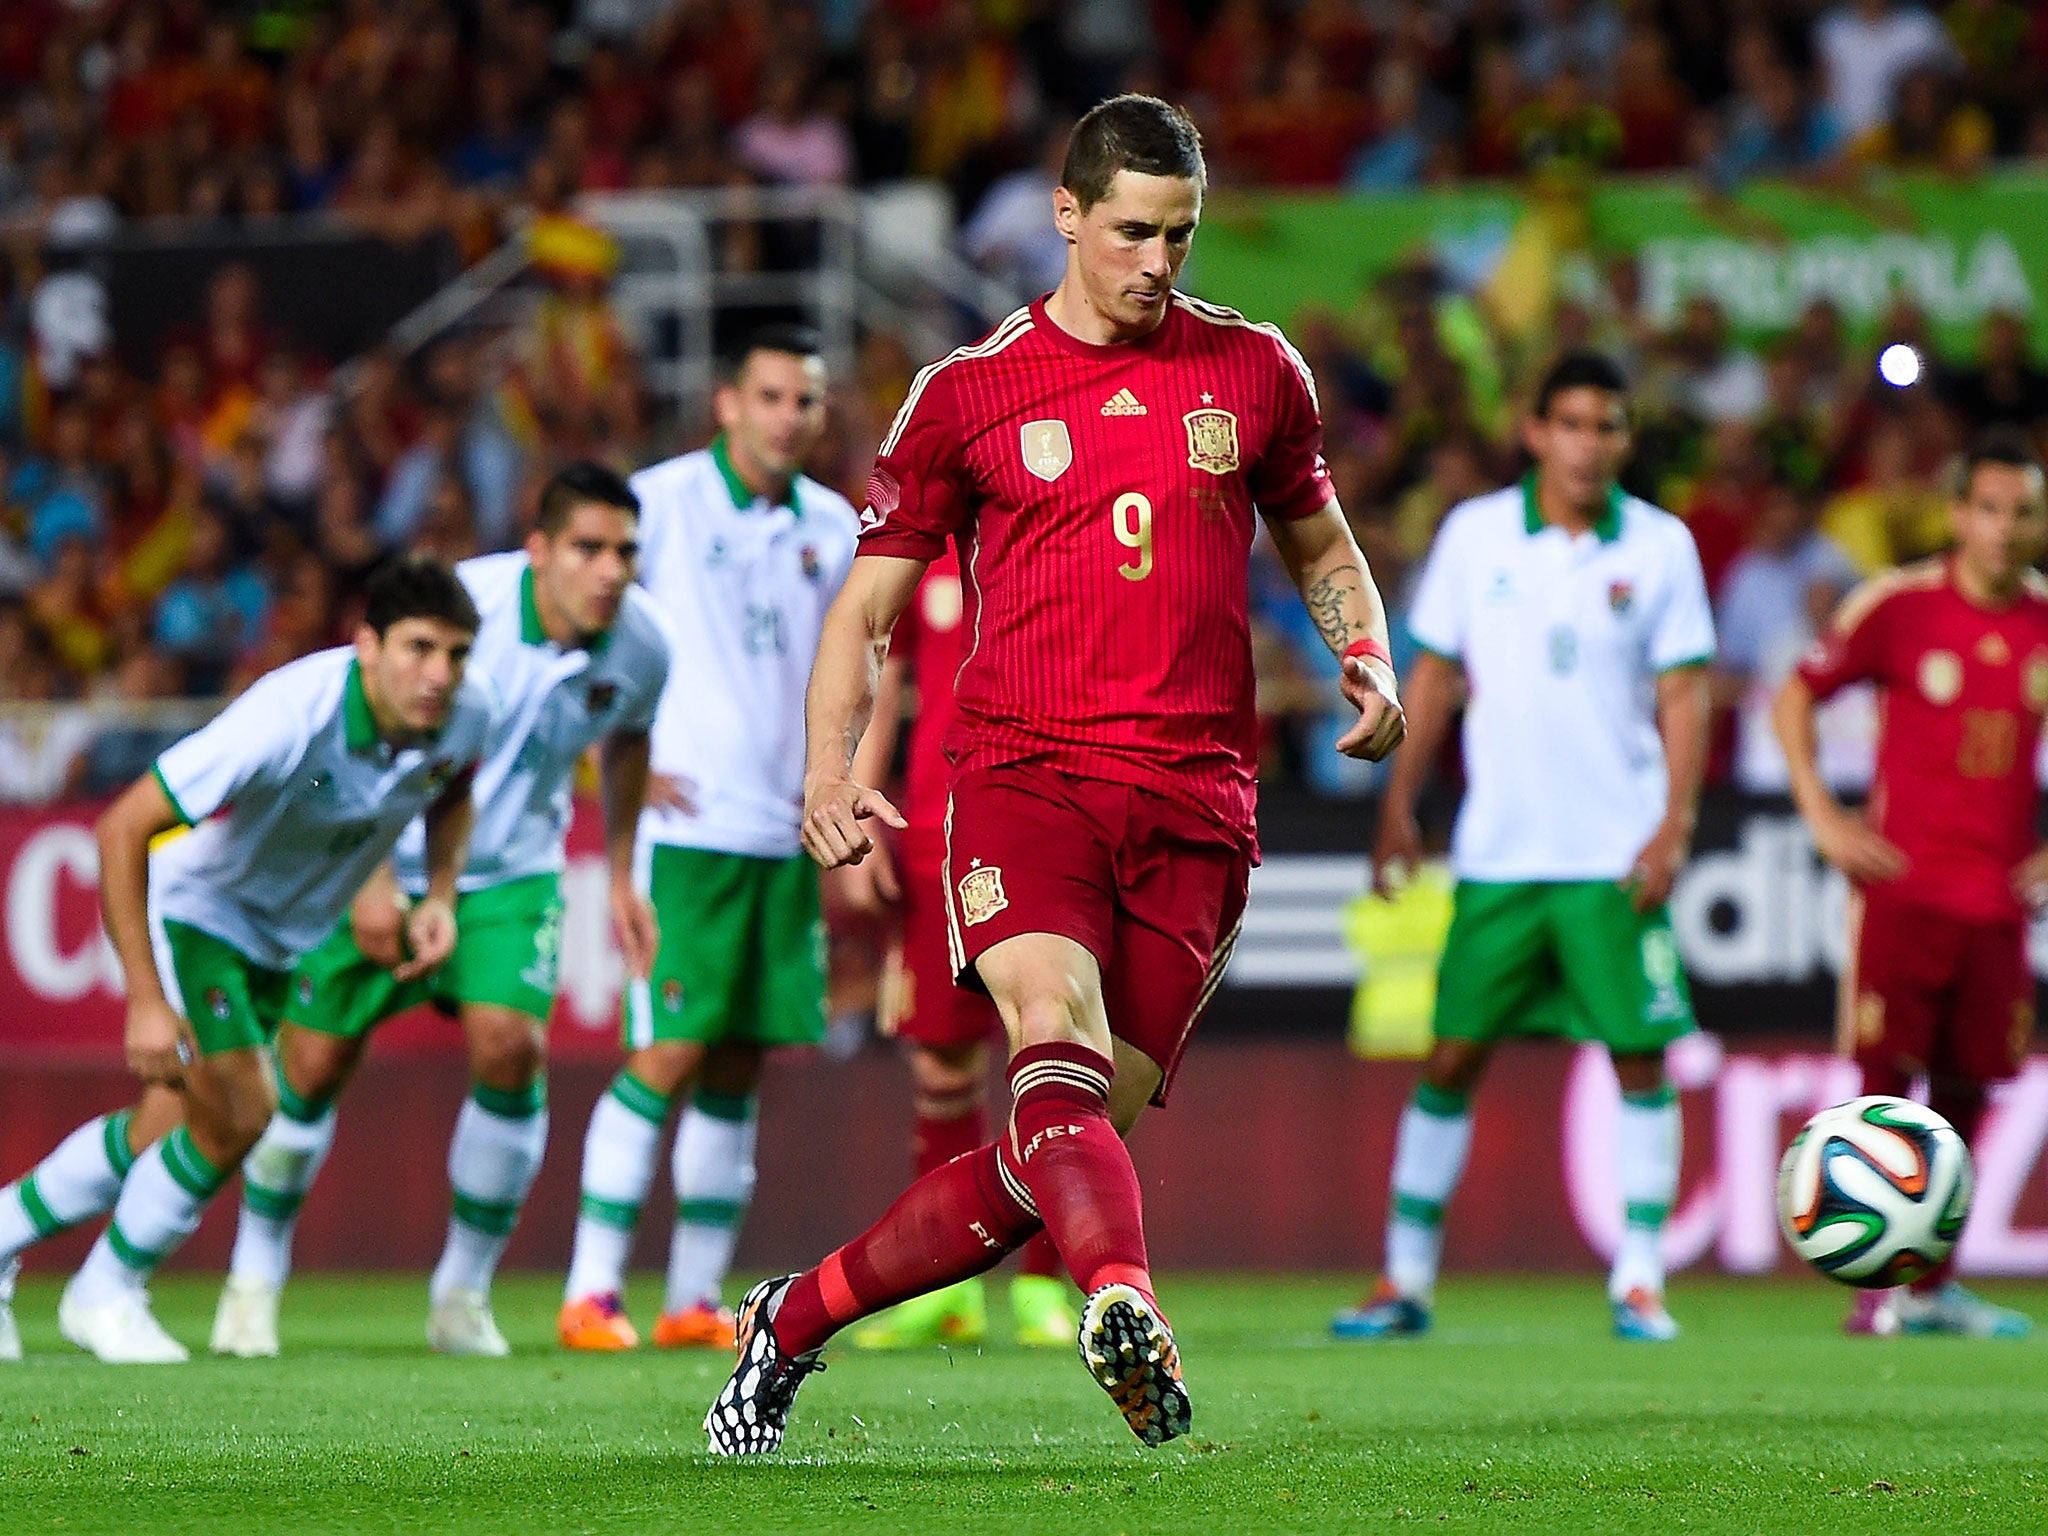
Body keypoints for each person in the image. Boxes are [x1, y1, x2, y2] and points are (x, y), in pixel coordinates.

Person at [702, 94, 1406, 1456]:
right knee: (1052, 1033)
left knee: (1052, 1151)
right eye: (1133, 232)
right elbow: (865, 613)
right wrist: (827, 771)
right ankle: (1127, 1307)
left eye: (1181, 236)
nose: (1158, 263)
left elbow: (1321, 547)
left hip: (1201, 804)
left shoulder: (1258, 373)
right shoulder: (970, 393)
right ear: (1067, 215)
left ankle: (790, 1319)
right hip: (1030, 780)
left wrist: (1367, 656)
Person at [210, 463, 670, 1359]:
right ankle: (253, 1277)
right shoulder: (463, 621)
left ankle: (462, 1291)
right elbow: (346, 730)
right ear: (538, 551)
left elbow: (629, 740)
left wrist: (618, 872)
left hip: (510, 873)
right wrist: (375, 881)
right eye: (588, 548)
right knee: (309, 1065)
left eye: (625, 551)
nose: (610, 569)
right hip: (370, 856)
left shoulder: (646, 647)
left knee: (514, 1045)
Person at [0, 557, 493, 1363]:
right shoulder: (288, 716)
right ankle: (107, 1290)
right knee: (245, 1110)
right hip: (201, 910)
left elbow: (450, 790)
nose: (439, 674)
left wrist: (438, 893)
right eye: (418, 648)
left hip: (283, 935)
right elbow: (123, 826)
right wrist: (147, 1003)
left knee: (170, 1124)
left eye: (456, 653)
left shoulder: (469, 712)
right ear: (367, 645)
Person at [1334, 349, 1715, 1345]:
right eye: (1573, 424)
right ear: (1535, 432)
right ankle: (1404, 1278)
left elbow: (1684, 696)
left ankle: (1638, 1277)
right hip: (1499, 854)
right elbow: (1433, 677)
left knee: (1638, 1057)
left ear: (1626, 439)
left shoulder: (1660, 548)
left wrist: (1672, 825)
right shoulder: (1474, 534)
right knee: (1450, 1056)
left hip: (1612, 855)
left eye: (1608, 426)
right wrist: (1397, 804)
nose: (1589, 445)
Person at [557, 326, 859, 1353]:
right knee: (668, 1050)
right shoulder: (658, 506)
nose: (788, 416)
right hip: (684, 836)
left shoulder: (830, 524)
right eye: (770, 395)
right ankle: (590, 1290)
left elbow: (854, 665)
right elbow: (580, 628)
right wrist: (607, 761)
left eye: (805, 400)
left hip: (784, 834)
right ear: (726, 403)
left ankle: (691, 1298)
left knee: (736, 1064)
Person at [1773, 428, 2047, 1340]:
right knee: (1883, 1084)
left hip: (1998, 905)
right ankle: (1873, 1290)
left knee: (1971, 1088)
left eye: (2023, 513)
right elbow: (1794, 695)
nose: (2004, 531)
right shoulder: (1898, 606)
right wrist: (1823, 814)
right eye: (1990, 510)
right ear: (1958, 515)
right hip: (1901, 892)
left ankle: (1931, 1289)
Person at [833, 548, 1078, 1351]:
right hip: (934, 832)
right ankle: (948, 1287)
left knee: (1047, 1051)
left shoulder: (1053, 530)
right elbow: (884, 675)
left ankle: (1044, 1280)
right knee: (940, 1064)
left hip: (1041, 814)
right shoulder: (923, 545)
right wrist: (862, 805)